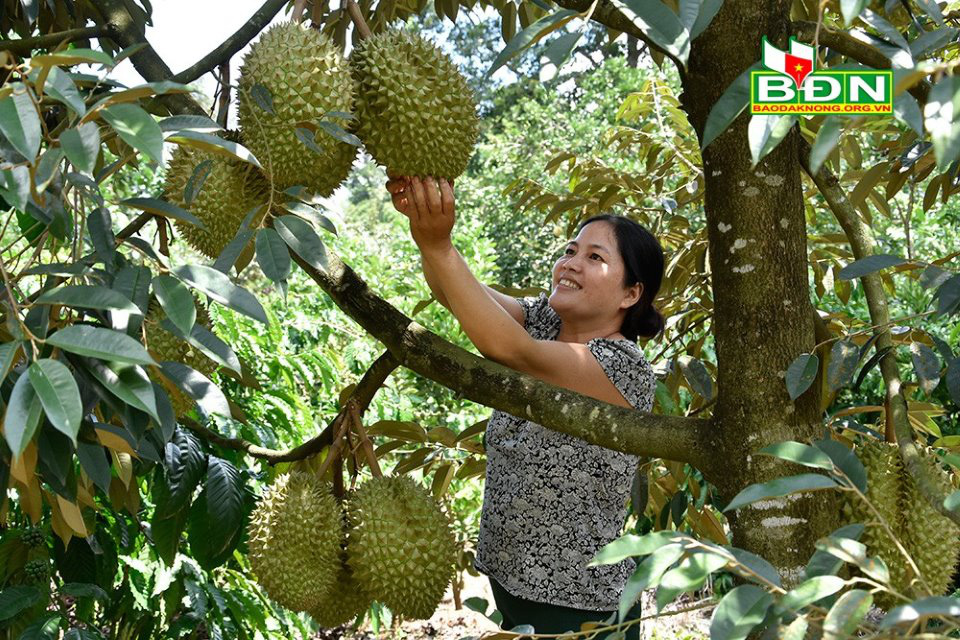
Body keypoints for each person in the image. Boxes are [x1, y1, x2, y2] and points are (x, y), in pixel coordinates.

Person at [386, 174, 665, 639]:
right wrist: (427, 233)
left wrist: (439, 247)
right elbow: (455, 294)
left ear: (630, 294)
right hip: (513, 581)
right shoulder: (545, 321)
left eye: (594, 257)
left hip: (579, 605)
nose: (570, 263)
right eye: (571, 250)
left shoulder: (622, 367)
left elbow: (510, 350)